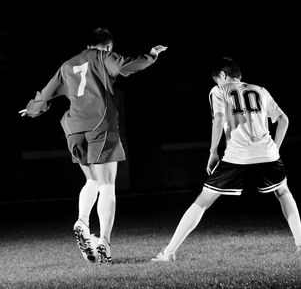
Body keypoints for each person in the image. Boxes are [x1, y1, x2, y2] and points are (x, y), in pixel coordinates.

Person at [19, 27, 167, 265]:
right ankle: (104, 244)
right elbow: (124, 67)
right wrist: (151, 56)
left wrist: (33, 109)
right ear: (107, 47)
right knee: (108, 185)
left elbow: (45, 94)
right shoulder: (102, 56)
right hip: (100, 125)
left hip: (73, 128)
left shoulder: (67, 65)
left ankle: (82, 222)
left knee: (92, 181)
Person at [152, 56, 301, 262]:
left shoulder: (219, 91)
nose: (217, 83)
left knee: (203, 201)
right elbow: (284, 120)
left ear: (223, 75)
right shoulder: (260, 90)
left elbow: (219, 118)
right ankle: (300, 244)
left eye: (217, 79)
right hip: (267, 154)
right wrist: (274, 149)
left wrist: (213, 152)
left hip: (236, 156)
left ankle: (168, 252)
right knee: (283, 192)